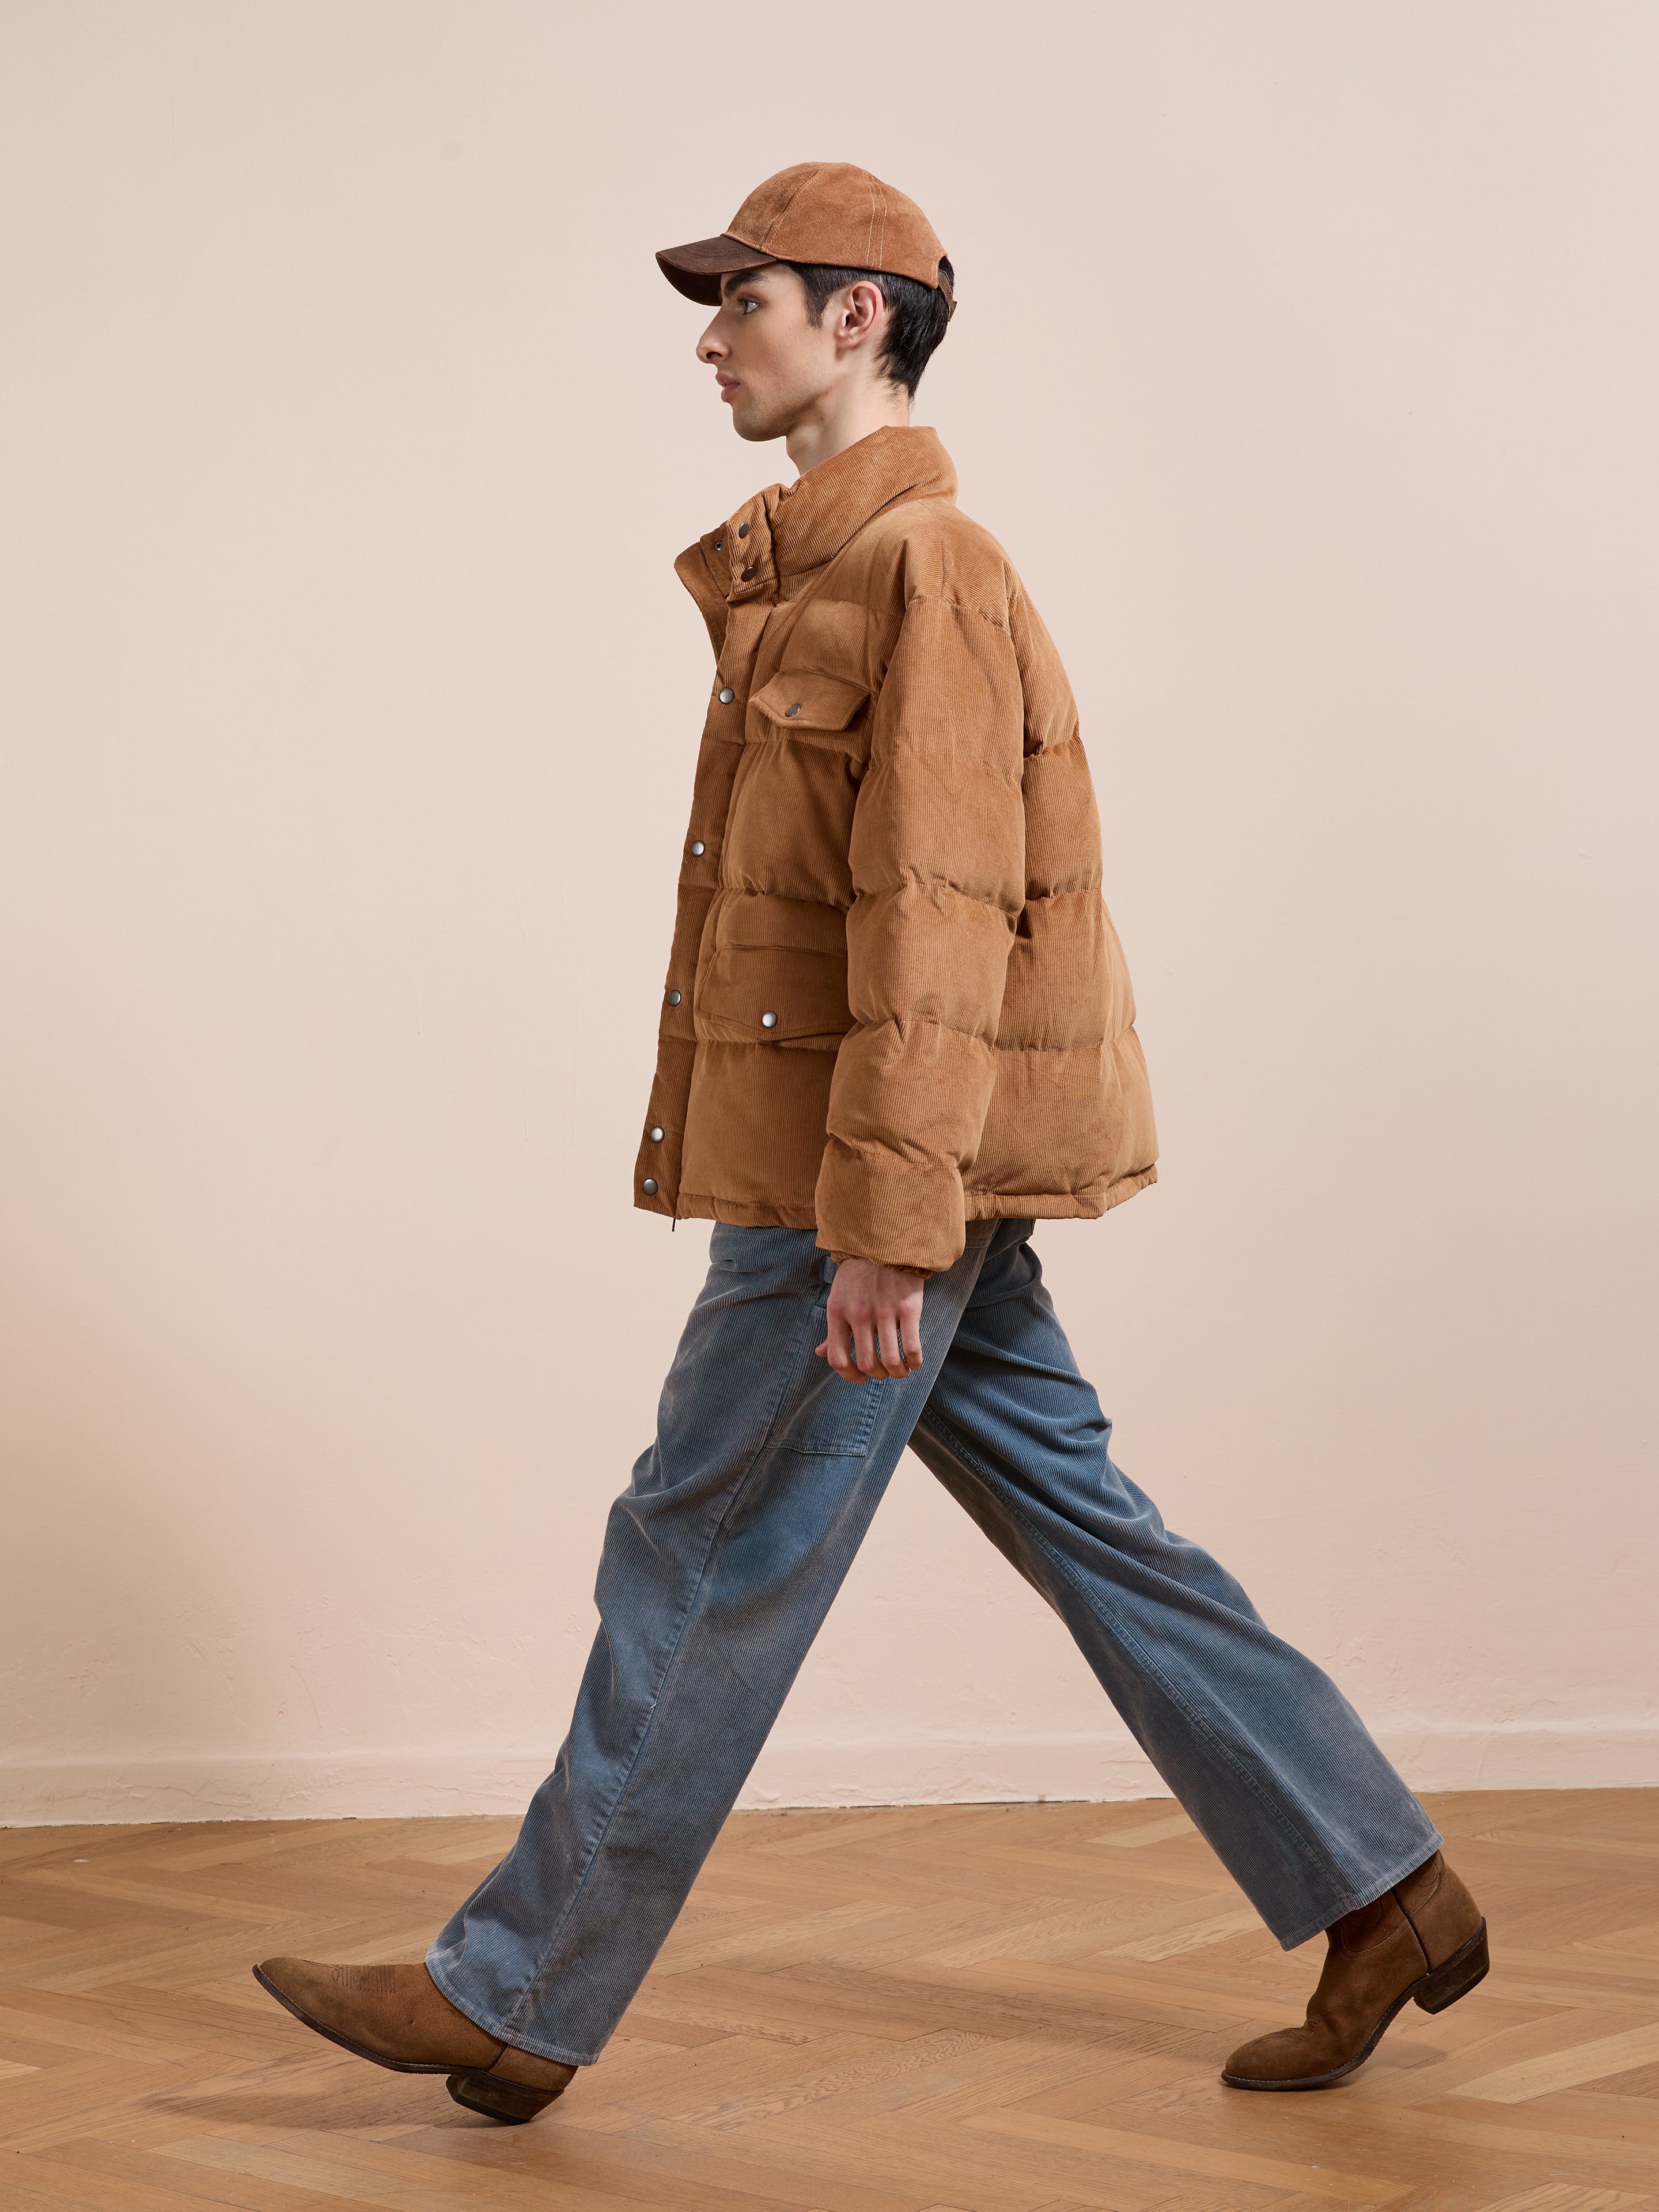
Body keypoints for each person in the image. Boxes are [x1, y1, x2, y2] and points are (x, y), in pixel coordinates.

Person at [253, 163, 1487, 2126]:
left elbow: (937, 917)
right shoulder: (809, 574)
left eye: (741, 298)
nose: (707, 333)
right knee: (1088, 1523)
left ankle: (518, 1995)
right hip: (876, 1168)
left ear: (857, 320)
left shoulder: (932, 570)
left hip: (861, 1175)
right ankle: (1384, 1887)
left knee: (701, 1548)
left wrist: (887, 1230)